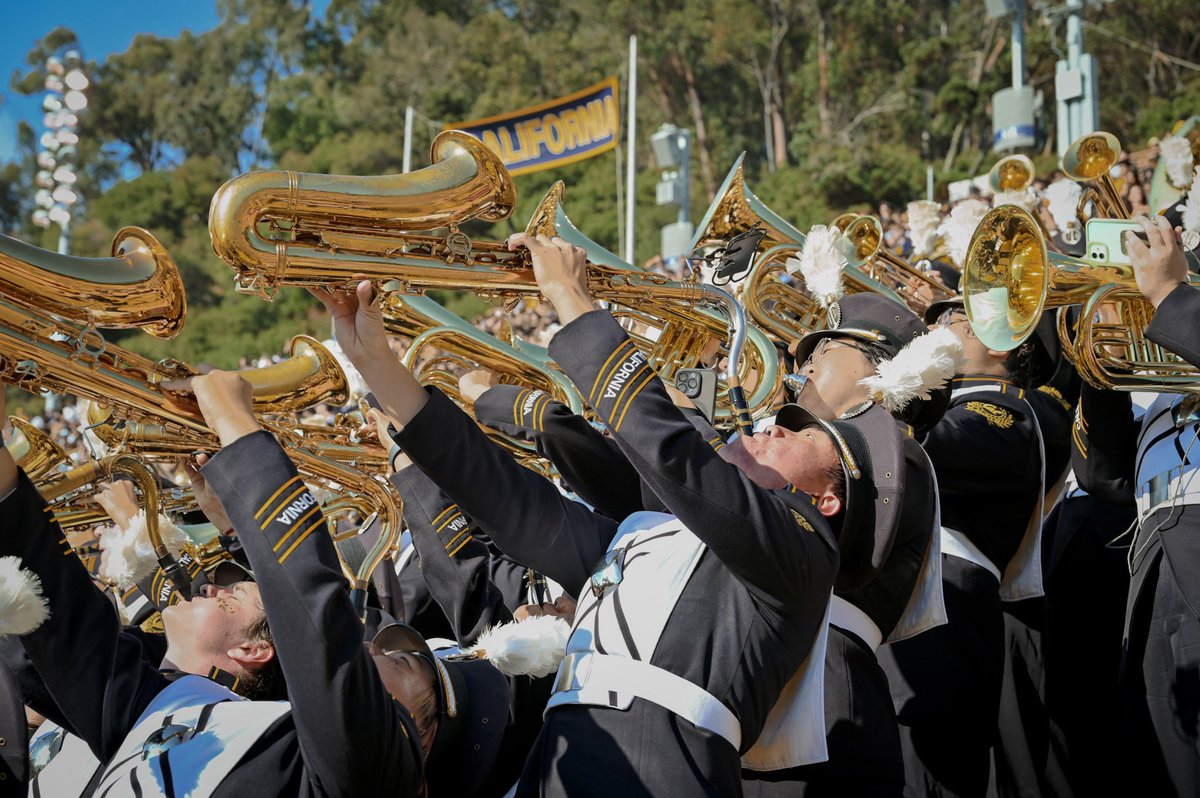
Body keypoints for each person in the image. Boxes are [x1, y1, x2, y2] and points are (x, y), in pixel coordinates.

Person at [309, 232, 911, 796]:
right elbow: (506, 499)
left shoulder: (806, 554)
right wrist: (378, 364)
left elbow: (676, 458)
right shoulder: (649, 533)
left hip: (657, 768)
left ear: (824, 500)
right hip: (566, 760)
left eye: (802, 437)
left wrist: (573, 299)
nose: (774, 422)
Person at [0, 373, 426, 797]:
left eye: (235, 594)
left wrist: (238, 426)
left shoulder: (348, 771)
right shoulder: (162, 710)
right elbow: (54, 610)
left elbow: (309, 605)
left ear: (253, 650)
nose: (209, 588)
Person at [876, 297, 1071, 798]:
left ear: (1004, 347)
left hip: (945, 608)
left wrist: (867, 388)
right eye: (942, 320)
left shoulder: (1009, 409)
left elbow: (932, 450)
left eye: (960, 321)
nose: (942, 328)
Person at [1071, 214, 1200, 795]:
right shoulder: (1165, 388)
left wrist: (1172, 294)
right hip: (1155, 584)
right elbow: (1106, 478)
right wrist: (1097, 365)